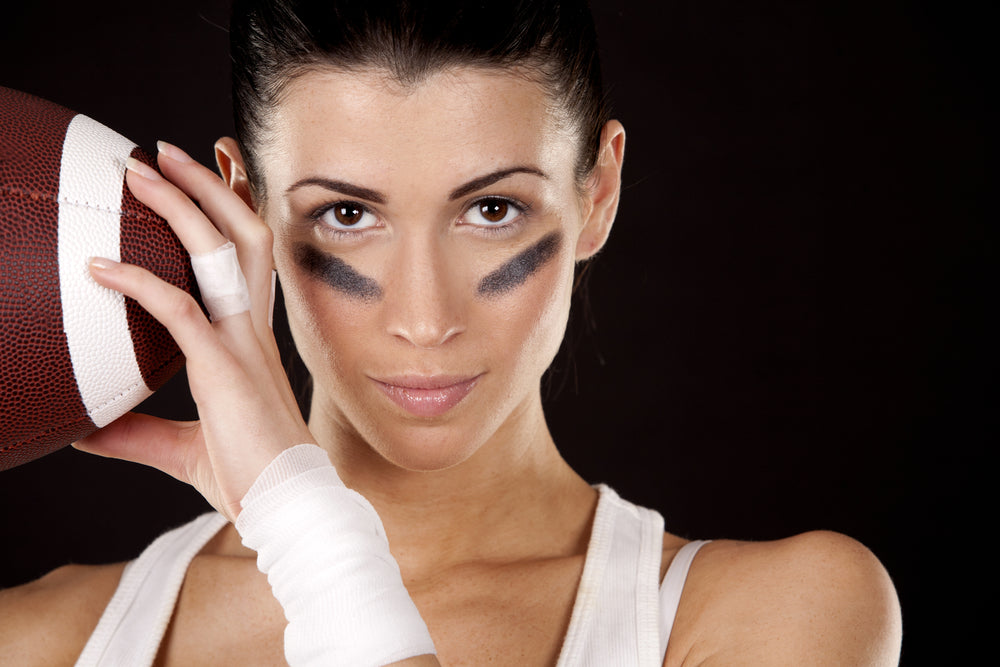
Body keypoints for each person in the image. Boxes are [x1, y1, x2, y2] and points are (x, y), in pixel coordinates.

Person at [0, 1, 902, 664]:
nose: (425, 320)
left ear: (599, 193)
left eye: (494, 208)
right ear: (242, 204)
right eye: (348, 213)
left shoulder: (783, 615)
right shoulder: (41, 638)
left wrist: (304, 523)